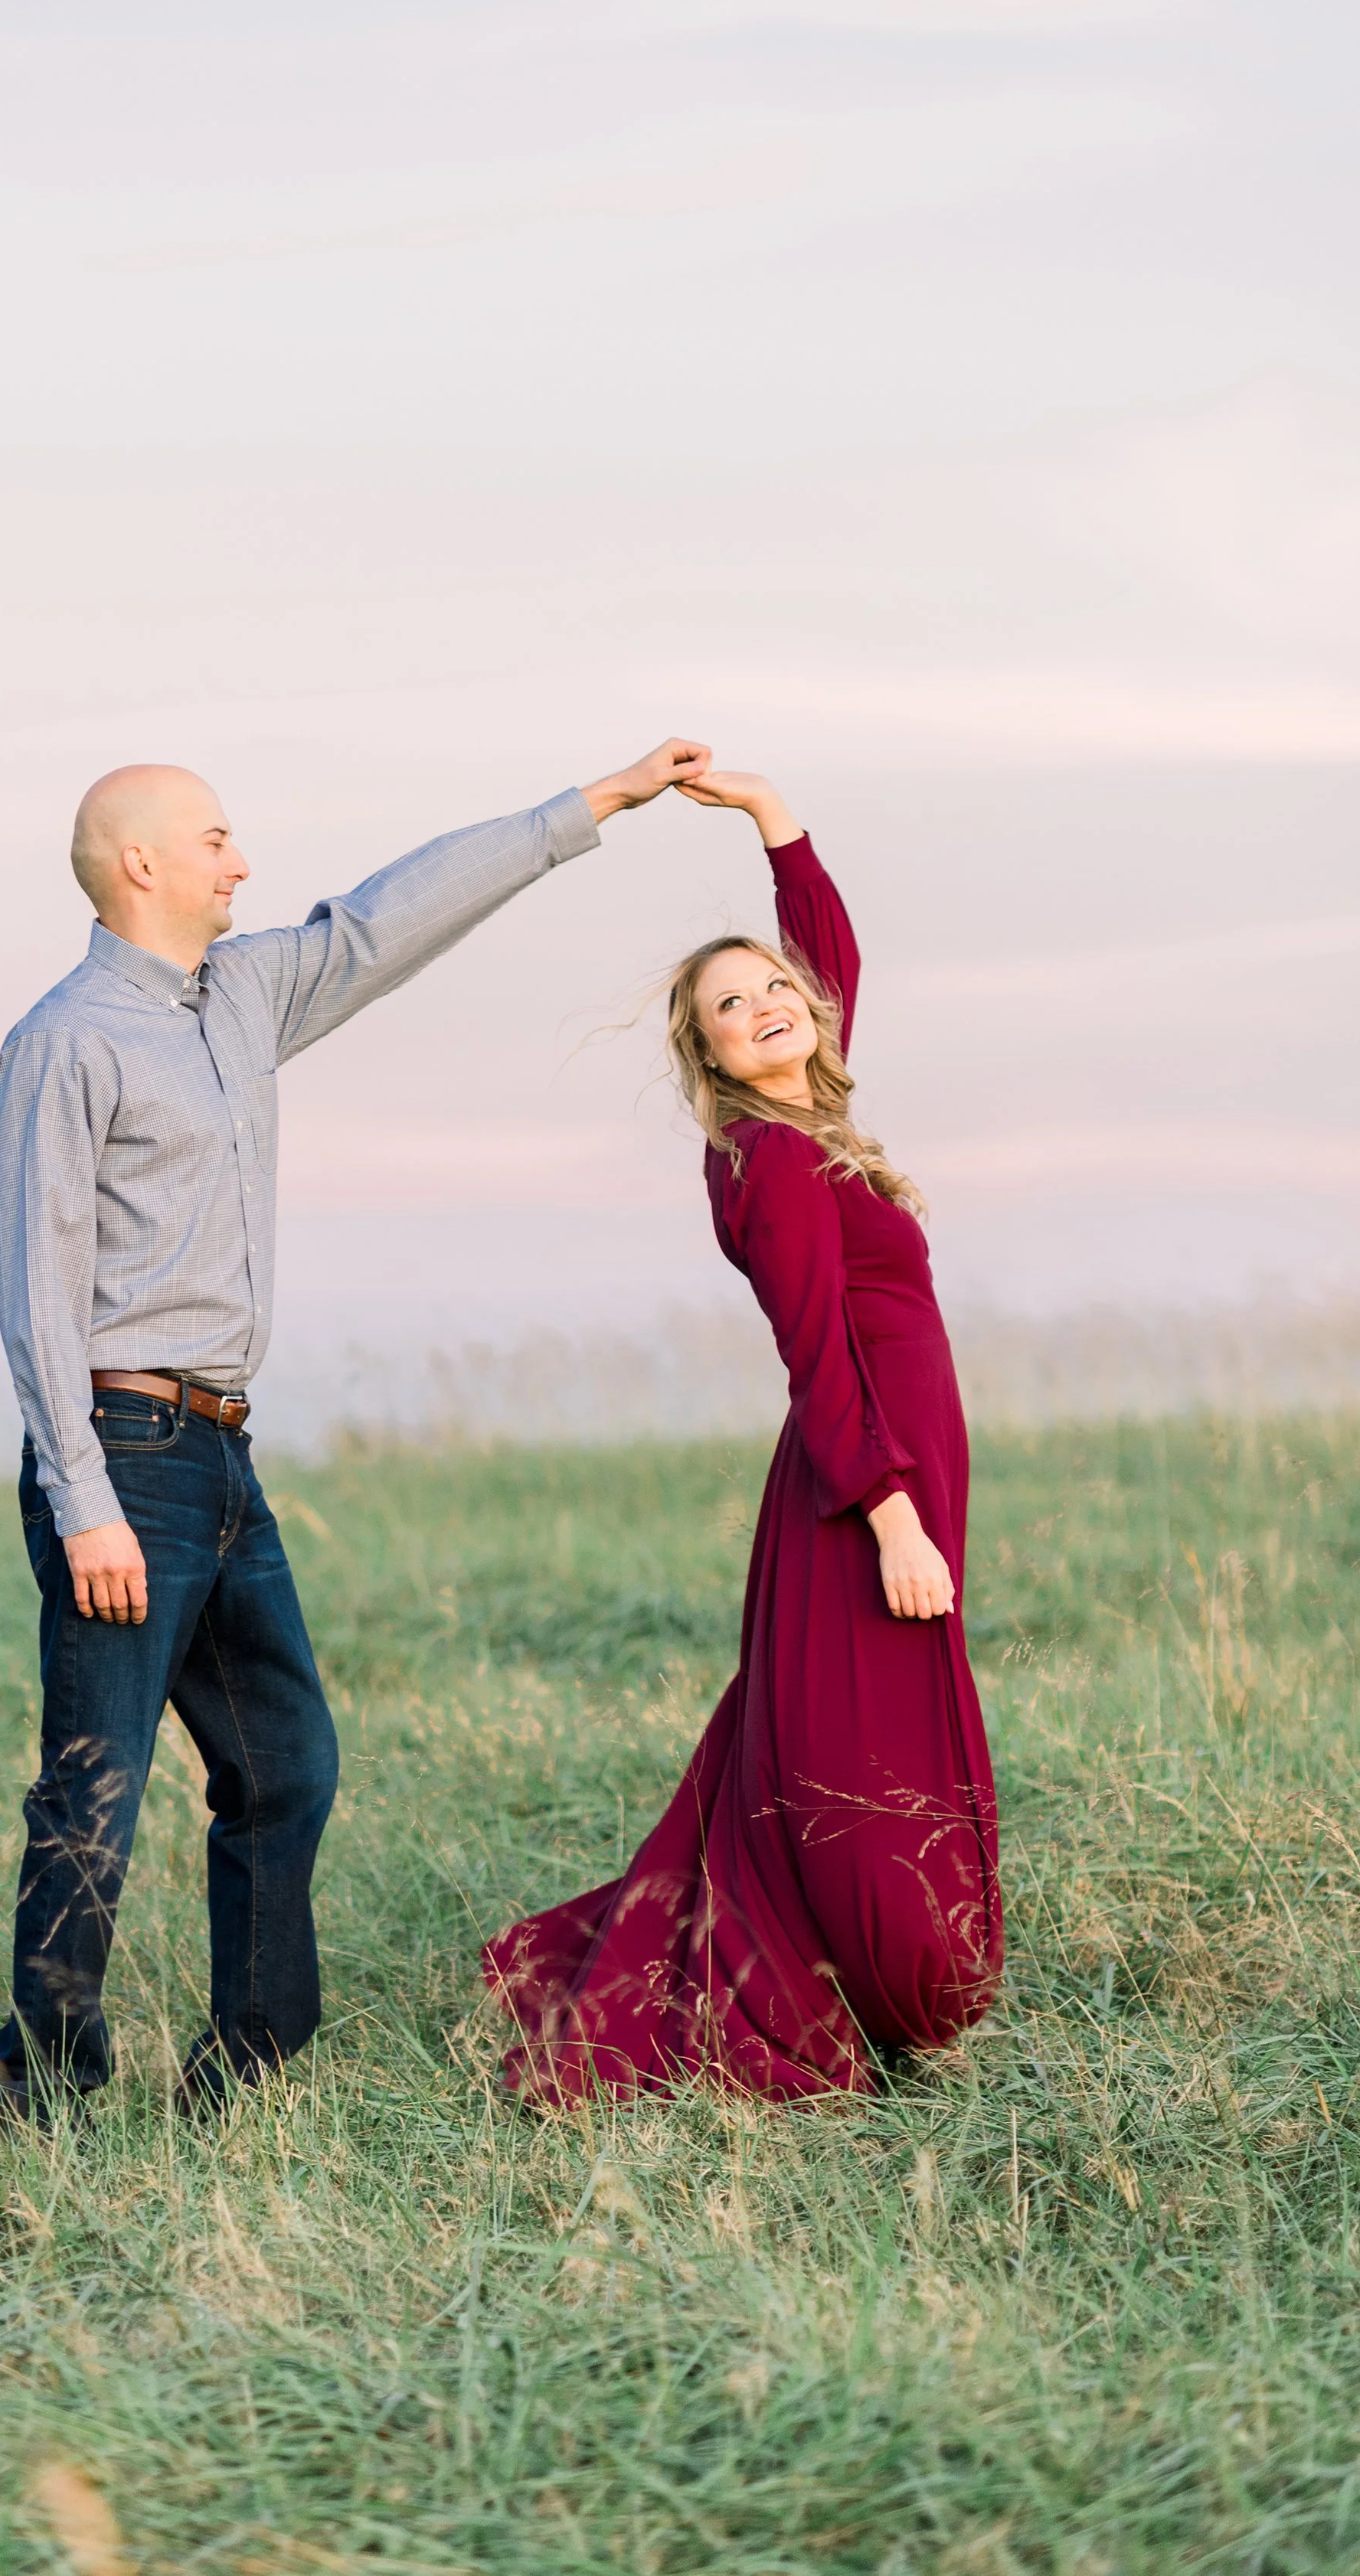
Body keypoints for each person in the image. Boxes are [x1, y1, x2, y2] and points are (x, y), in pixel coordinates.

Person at [0, 736, 712, 2138]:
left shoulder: (242, 997)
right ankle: (43, 2081)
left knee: (288, 1762)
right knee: (98, 1782)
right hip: (123, 1451)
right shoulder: (68, 1039)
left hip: (224, 1455)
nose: (239, 861)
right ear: (142, 862)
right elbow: (35, 1278)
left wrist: (586, 809)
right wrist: (82, 1498)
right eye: (215, 840)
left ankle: (248, 2058)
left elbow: (386, 922)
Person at [484, 769, 1001, 2101]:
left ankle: (859, 1970)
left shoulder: (810, 1114)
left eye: (773, 988)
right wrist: (890, 1516)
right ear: (705, 1053)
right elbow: (816, 1359)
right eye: (730, 1005)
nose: (766, 1004)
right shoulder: (770, 1158)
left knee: (821, 1741)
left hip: (903, 1472)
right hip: (861, 1486)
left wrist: (771, 812)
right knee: (846, 1753)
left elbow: (825, 958)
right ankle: (852, 1980)